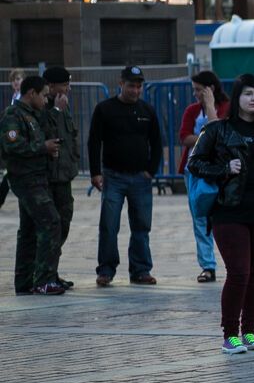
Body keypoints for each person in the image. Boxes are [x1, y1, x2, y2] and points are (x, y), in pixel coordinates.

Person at [188, 74, 254, 355]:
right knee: (239, 273)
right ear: (237, 98)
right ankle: (230, 335)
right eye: (248, 94)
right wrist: (224, 169)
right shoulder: (218, 130)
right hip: (229, 211)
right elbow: (195, 163)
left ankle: (249, 331)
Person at [88, 66, 162, 286]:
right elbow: (94, 142)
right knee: (109, 225)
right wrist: (95, 173)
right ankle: (106, 270)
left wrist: (151, 170)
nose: (135, 90)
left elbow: (157, 143)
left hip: (141, 178)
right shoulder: (105, 109)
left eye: (139, 86)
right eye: (131, 85)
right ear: (121, 84)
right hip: (113, 177)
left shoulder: (147, 111)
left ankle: (140, 270)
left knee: (141, 226)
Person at [1, 76, 64, 295]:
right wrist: (42, 147)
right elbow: (13, 145)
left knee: (28, 231)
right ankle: (44, 280)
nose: (46, 100)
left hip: (37, 178)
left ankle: (24, 281)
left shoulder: (33, 116)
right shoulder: (13, 115)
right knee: (51, 222)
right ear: (31, 94)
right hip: (26, 180)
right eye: (44, 95)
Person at [179, 70, 230, 282]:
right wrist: (206, 136)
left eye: (199, 90)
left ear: (211, 89)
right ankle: (208, 266)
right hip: (195, 171)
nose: (195, 95)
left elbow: (221, 133)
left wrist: (210, 112)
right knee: (200, 218)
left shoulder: (227, 107)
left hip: (221, 171)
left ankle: (232, 261)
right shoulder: (192, 111)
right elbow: (185, 137)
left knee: (225, 219)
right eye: (194, 90)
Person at [42, 67, 79, 289]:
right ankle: (44, 275)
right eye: (65, 85)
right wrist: (55, 110)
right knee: (50, 228)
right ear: (52, 87)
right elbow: (44, 132)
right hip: (47, 179)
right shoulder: (43, 107)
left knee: (63, 225)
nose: (68, 89)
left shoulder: (63, 107)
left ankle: (52, 272)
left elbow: (70, 137)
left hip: (63, 177)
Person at [0, 70, 27, 209]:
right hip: (13, 140)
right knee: (10, 173)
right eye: (13, 80)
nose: (16, 82)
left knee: (10, 174)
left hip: (20, 139)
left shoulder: (23, 97)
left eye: (18, 79)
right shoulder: (15, 96)